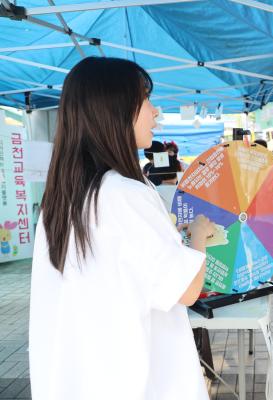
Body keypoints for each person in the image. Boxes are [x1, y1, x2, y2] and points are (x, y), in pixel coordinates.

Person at [29, 57, 216, 400]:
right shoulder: (124, 193)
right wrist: (200, 235)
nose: (155, 111)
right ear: (114, 109)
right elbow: (187, 289)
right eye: (145, 98)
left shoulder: (62, 198)